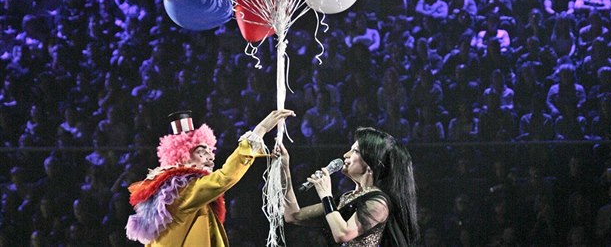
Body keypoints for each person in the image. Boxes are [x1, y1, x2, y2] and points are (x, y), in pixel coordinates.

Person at [125, 108, 295, 246]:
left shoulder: (172, 190)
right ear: (183, 157)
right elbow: (224, 177)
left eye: (210, 151)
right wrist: (260, 131)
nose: (211, 157)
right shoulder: (181, 189)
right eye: (201, 151)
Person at [278, 127, 419, 246]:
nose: (346, 155)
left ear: (371, 164)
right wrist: (284, 166)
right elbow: (293, 216)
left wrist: (326, 195)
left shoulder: (378, 203)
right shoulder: (347, 198)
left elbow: (343, 234)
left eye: (355, 151)